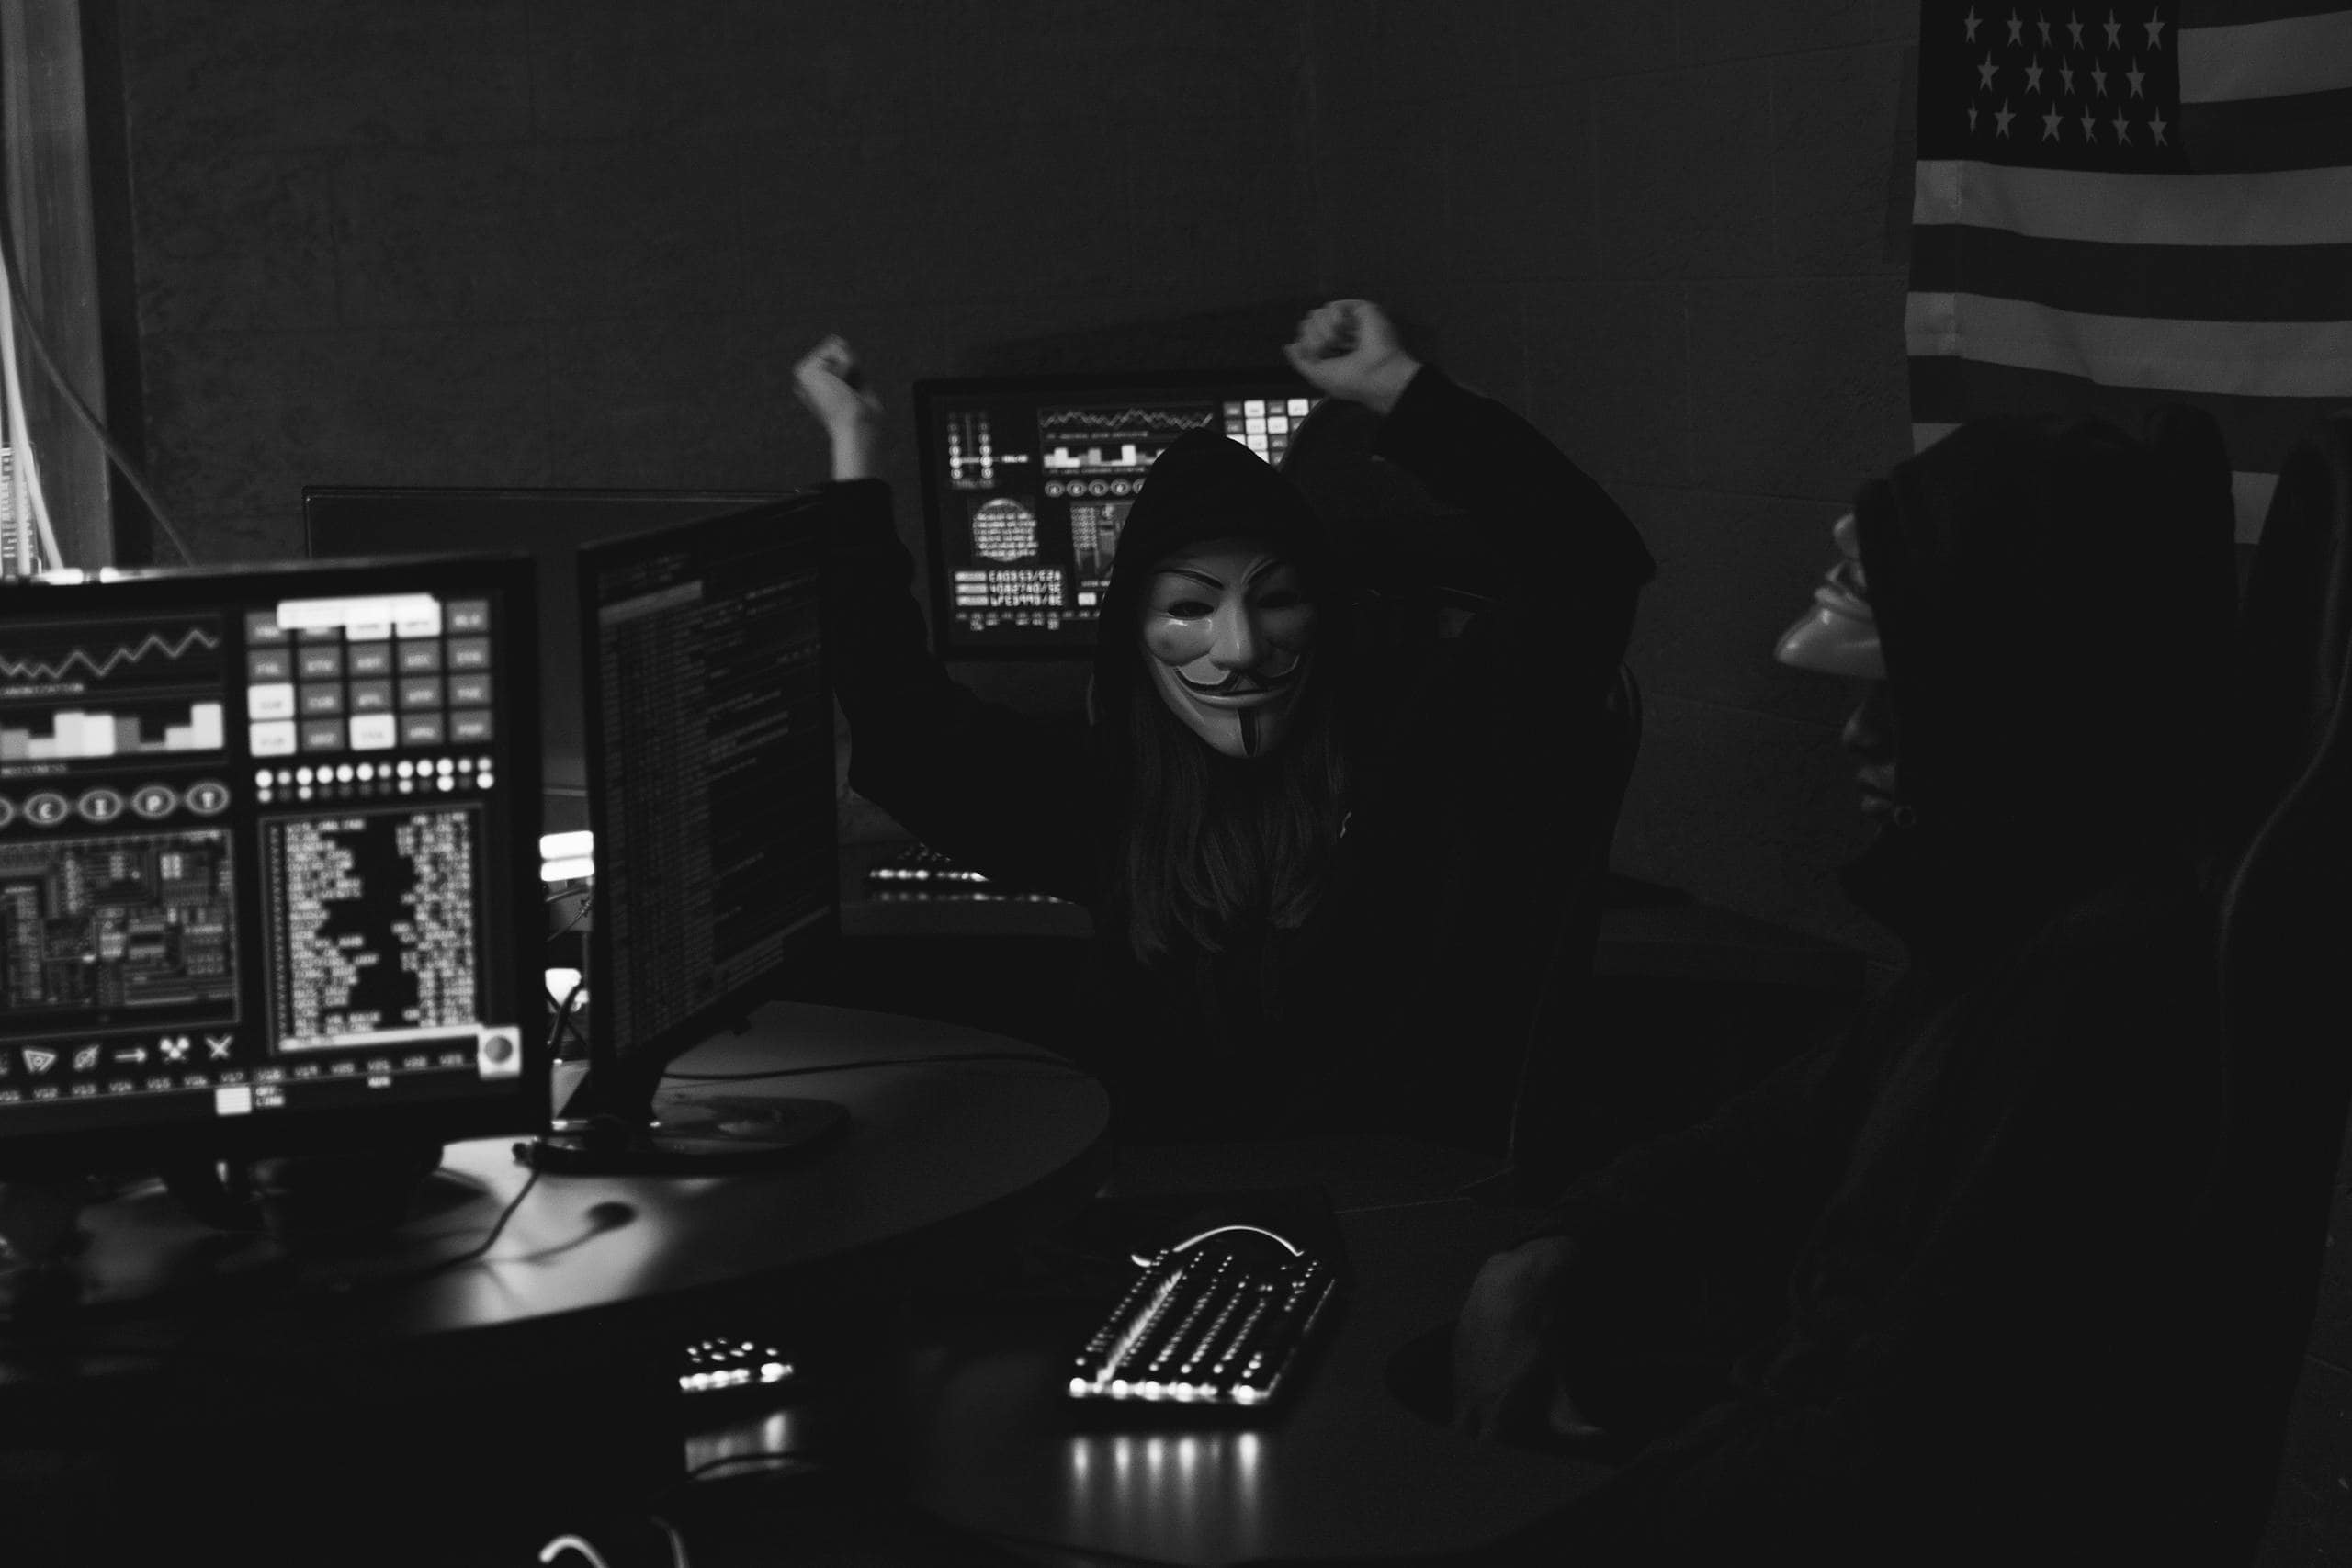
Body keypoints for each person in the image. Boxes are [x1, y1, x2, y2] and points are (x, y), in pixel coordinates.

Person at [1439, 411, 2239, 1565]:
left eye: (1902, 700)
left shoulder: (2098, 984)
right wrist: (1551, 1251)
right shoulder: (1998, 937)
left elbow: (1874, 1451)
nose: (1856, 738)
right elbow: (1761, 1141)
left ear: (2011, 704)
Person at [793, 300, 1653, 1147]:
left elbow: (1589, 561)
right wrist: (854, 446)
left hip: (1391, 1200)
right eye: (1189, 609)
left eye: (1276, 600)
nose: (1238, 649)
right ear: (1135, 635)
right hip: (1170, 1211)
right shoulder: (1111, 799)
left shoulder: (1424, 750)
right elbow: (900, 717)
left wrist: (1397, 386)